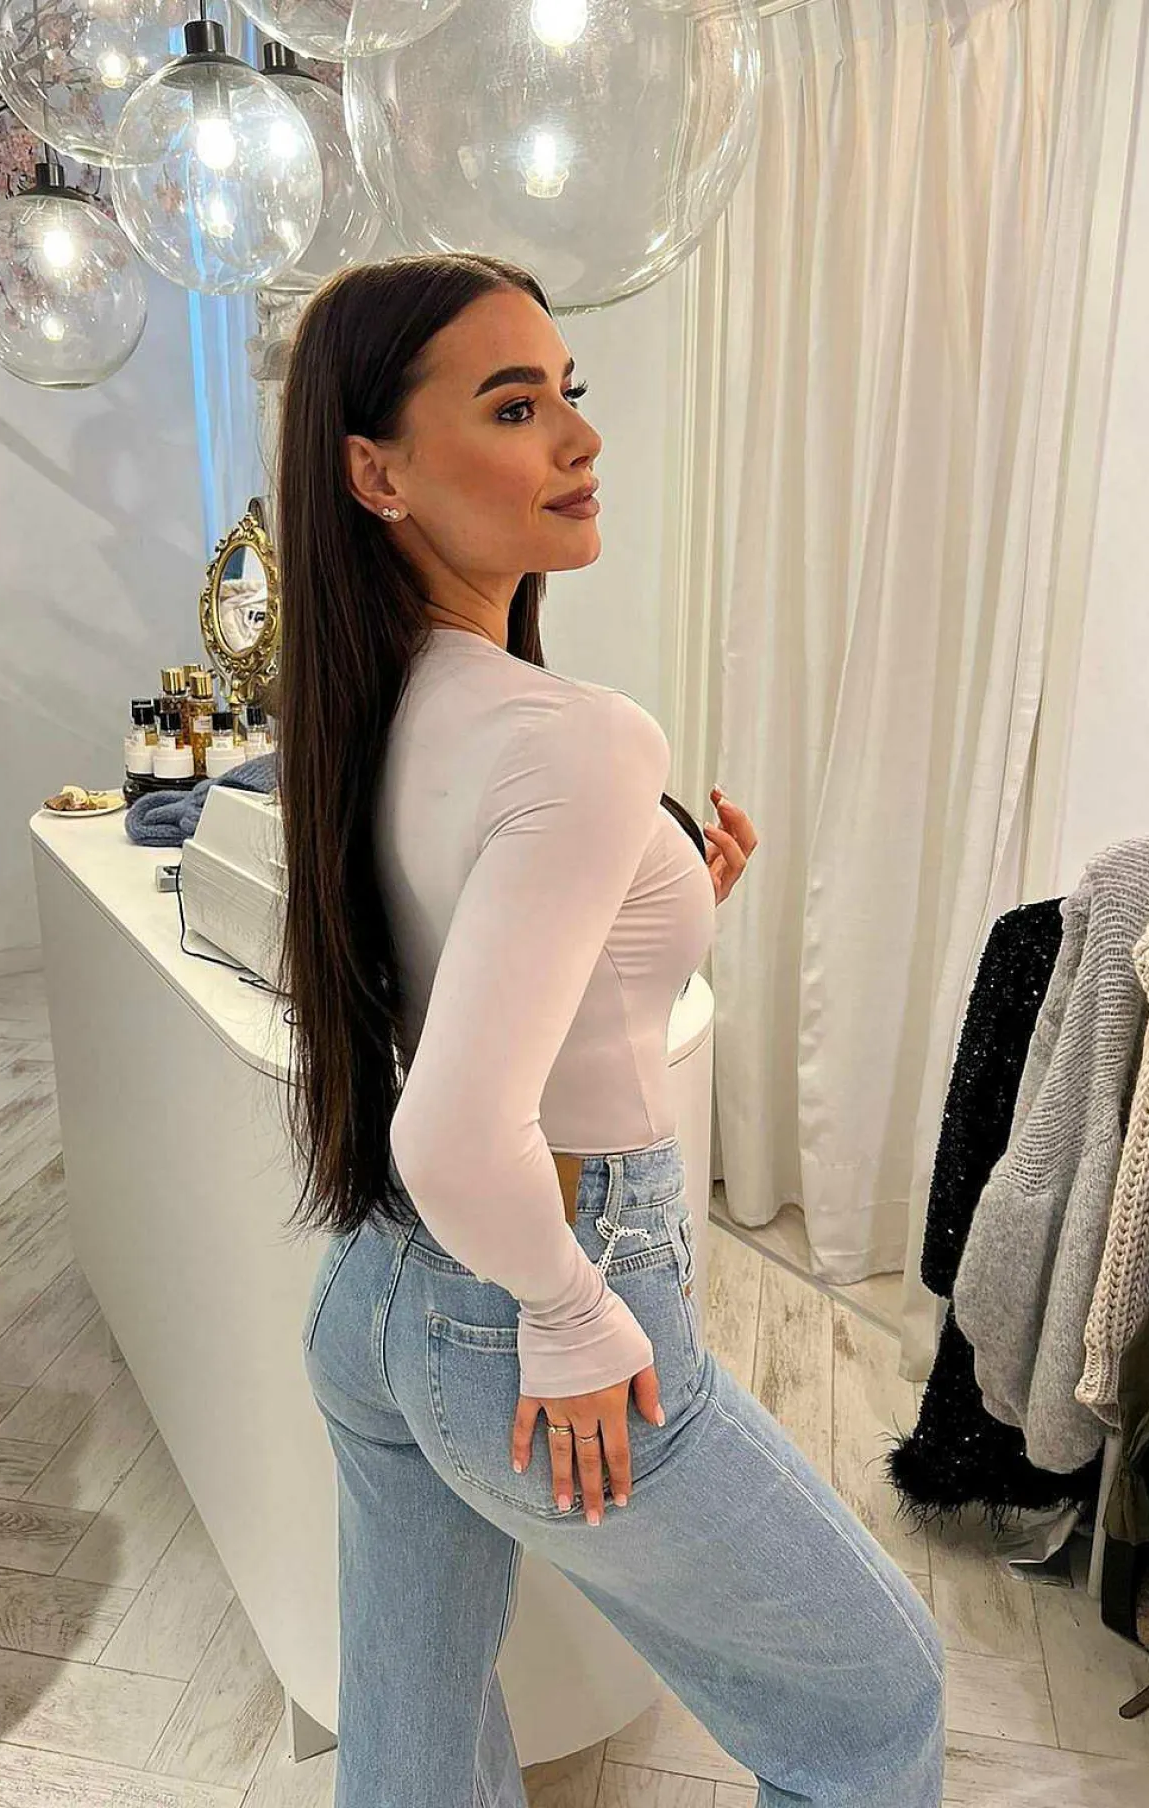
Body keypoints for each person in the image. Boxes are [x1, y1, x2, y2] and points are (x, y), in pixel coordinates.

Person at [274, 252, 946, 1808]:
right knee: (876, 1697)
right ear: (377, 473)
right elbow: (456, 1129)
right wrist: (573, 1312)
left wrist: (660, 897)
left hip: (379, 1295)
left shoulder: (378, 698)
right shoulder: (574, 735)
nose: (580, 438)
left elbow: (462, 947)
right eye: (515, 407)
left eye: (570, 394)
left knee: (416, 1748)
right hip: (530, 1292)